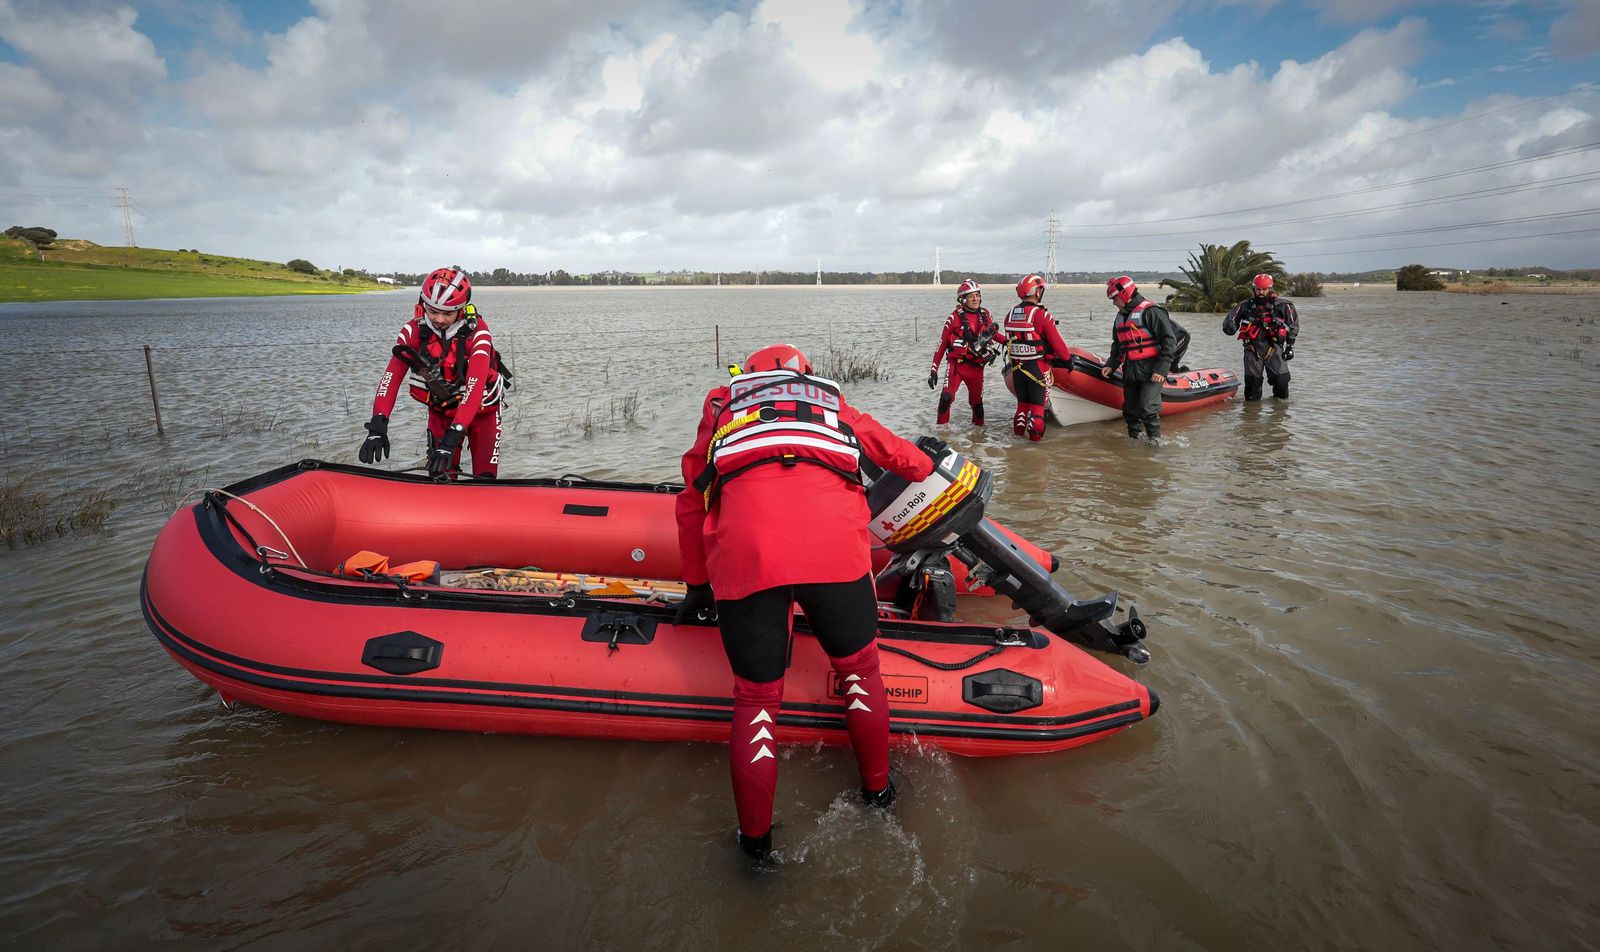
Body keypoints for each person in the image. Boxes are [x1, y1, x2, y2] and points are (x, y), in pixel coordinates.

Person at [674, 343, 936, 866]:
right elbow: (913, 463)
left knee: (755, 701)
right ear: (807, 376)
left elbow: (690, 501)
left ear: (746, 377)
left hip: (749, 557)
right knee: (860, 671)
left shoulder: (723, 405)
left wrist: (697, 586)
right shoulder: (833, 403)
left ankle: (755, 848)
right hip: (834, 552)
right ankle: (878, 793)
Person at [357, 266, 507, 479]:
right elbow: (391, 378)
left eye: (448, 313)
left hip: (483, 412)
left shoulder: (478, 332)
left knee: (485, 479)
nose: (439, 319)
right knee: (439, 476)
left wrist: (455, 434)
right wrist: (377, 425)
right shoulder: (413, 331)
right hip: (442, 411)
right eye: (433, 311)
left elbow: (475, 384)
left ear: (462, 309)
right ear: (423, 305)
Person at [1101, 276, 1185, 441]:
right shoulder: (1120, 317)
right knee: (1130, 410)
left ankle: (1155, 444)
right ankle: (1135, 443)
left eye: (1115, 299)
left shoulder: (1151, 311)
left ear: (1125, 294)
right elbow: (1118, 344)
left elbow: (1169, 341)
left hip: (1152, 368)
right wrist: (1111, 364)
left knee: (1148, 408)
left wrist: (1161, 369)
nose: (1114, 303)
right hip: (1130, 368)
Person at [1003, 274, 1072, 441]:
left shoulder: (1010, 314)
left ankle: (1017, 442)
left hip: (1017, 369)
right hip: (1037, 368)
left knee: (1022, 407)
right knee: (1037, 408)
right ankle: (1035, 448)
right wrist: (1067, 361)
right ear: (1037, 291)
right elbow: (1059, 347)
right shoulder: (1041, 315)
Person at [927, 279, 1006, 425]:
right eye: (971, 296)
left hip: (976, 368)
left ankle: (978, 436)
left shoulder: (985, 314)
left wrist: (1009, 342)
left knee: (978, 408)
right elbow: (942, 344)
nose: (975, 299)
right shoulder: (953, 318)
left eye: (977, 295)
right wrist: (933, 370)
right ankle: (940, 432)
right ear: (963, 299)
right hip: (957, 366)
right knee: (945, 399)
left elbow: (994, 334)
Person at [1222, 273, 1299, 400]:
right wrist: (1230, 326)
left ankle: (1279, 411)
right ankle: (1252, 412)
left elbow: (1293, 326)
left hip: (1275, 349)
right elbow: (1230, 324)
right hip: (1252, 349)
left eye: (1264, 289)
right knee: (1252, 388)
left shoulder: (1284, 305)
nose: (1261, 292)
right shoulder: (1244, 305)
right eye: (1258, 289)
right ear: (1254, 289)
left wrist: (1290, 347)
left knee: (1281, 383)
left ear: (1270, 289)